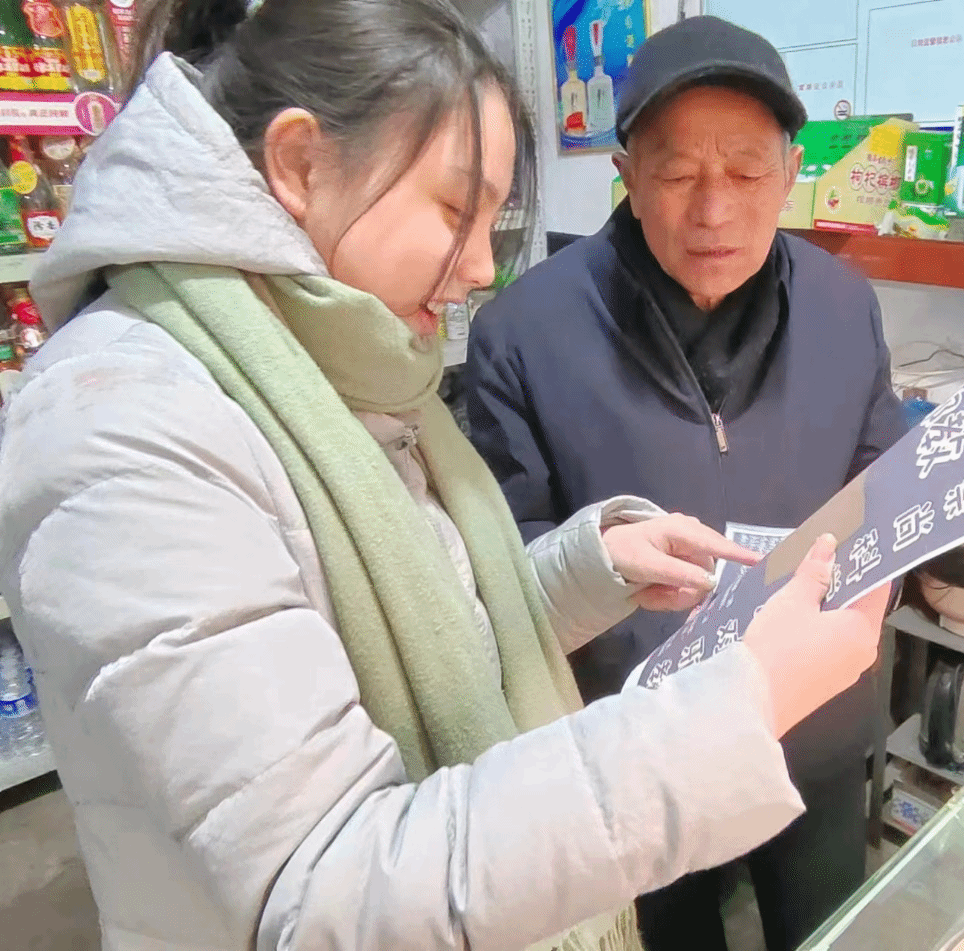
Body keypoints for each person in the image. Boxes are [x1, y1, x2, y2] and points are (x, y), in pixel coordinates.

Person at [0, 2, 892, 950]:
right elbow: (322, 893)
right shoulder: (126, 422)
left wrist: (589, 568)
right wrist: (736, 709)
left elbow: (449, 619)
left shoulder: (357, 361)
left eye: (492, 219)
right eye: (456, 208)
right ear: (300, 163)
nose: (477, 267)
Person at [465, 15, 908, 951]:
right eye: (676, 175)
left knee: (826, 928)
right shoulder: (524, 332)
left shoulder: (843, 304)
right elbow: (512, 562)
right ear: (625, 175)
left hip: (814, 724)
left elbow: (883, 483)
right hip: (638, 751)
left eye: (746, 174)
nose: (714, 211)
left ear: (791, 172)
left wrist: (871, 589)